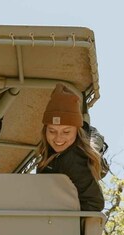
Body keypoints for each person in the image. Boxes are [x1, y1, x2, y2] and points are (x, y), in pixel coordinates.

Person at [36, 84, 105, 212]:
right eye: (52, 131)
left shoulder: (74, 159)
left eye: (66, 132)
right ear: (45, 131)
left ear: (77, 132)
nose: (58, 138)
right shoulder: (48, 155)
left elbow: (94, 203)